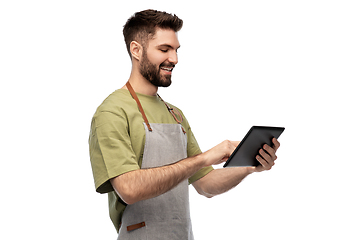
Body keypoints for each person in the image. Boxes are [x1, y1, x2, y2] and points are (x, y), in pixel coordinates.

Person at [89, 9, 280, 240]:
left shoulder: (175, 115)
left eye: (176, 50)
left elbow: (206, 184)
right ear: (136, 50)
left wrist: (250, 165)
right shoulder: (112, 112)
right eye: (164, 49)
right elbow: (130, 189)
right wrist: (204, 157)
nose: (174, 59)